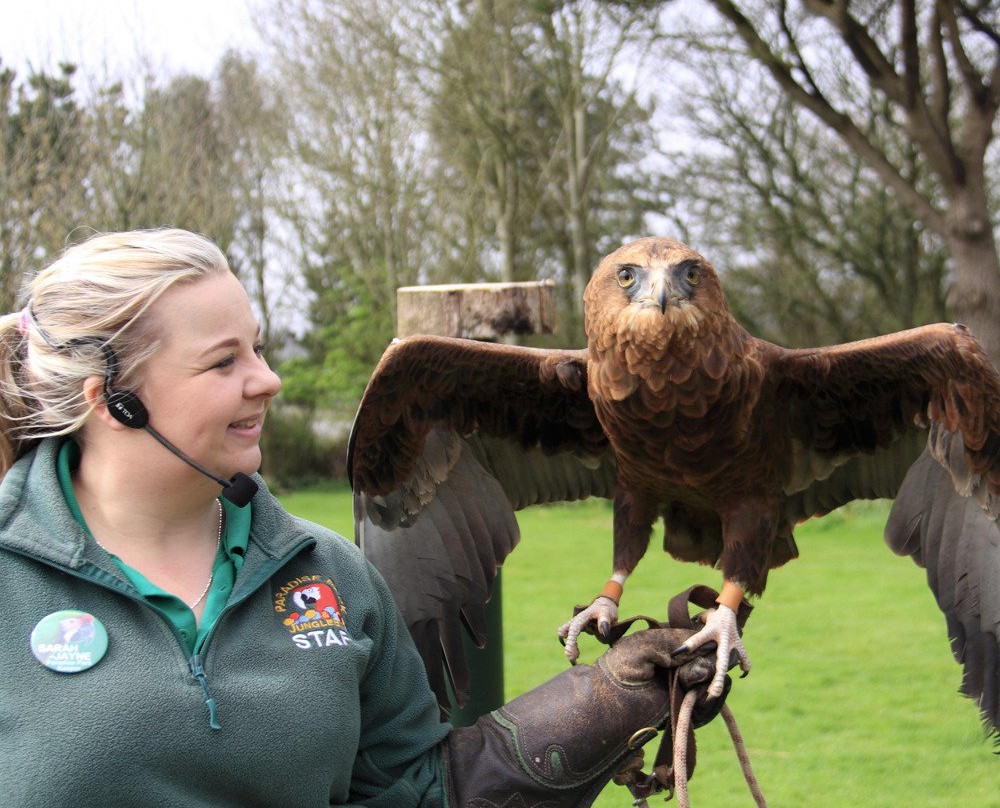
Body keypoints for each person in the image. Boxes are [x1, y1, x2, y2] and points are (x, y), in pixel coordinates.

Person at [0, 228, 727, 807]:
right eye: (223, 363)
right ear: (111, 397)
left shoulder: (330, 576)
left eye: (259, 346)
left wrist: (598, 704)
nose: (268, 379)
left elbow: (414, 795)